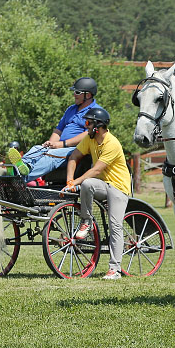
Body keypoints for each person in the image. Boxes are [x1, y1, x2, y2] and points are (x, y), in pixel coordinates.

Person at [62, 107, 132, 280]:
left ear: (98, 126)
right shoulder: (89, 139)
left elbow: (96, 170)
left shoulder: (112, 143)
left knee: (115, 225)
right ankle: (86, 221)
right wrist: (70, 181)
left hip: (118, 187)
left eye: (88, 123)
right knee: (87, 185)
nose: (85, 126)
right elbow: (73, 157)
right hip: (103, 184)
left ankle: (114, 269)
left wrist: (74, 183)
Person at [6, 77, 105, 181]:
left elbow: (87, 134)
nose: (74, 94)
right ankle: (20, 167)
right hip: (62, 147)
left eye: (77, 92)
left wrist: (62, 144)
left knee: (51, 155)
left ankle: (20, 179)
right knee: (37, 148)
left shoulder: (96, 112)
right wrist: (50, 143)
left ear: (88, 95)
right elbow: (59, 130)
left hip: (78, 150)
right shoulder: (71, 109)